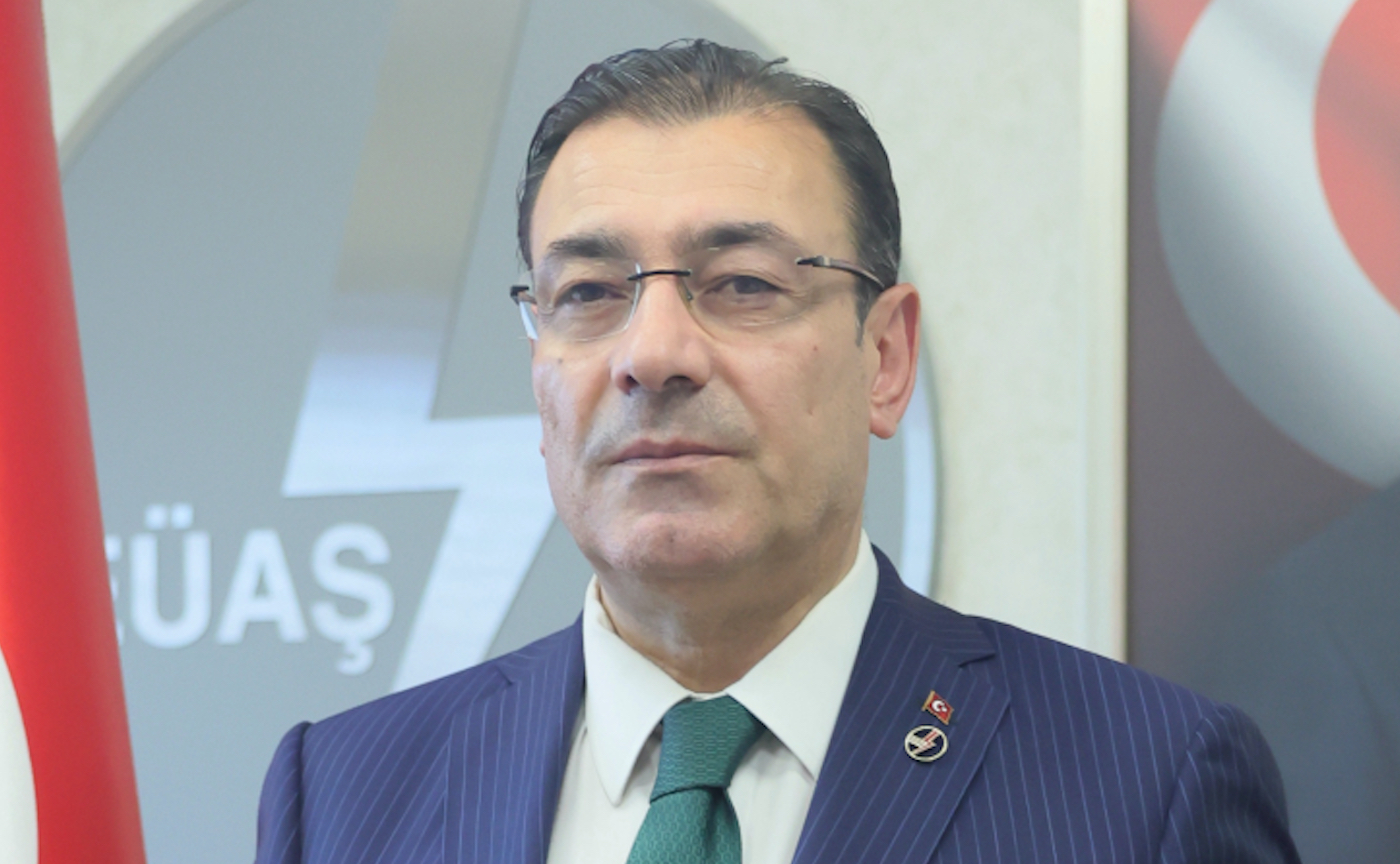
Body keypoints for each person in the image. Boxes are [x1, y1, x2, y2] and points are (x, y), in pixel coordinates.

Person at [254, 40, 1299, 864]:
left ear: (884, 358)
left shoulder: (1145, 784)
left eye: (743, 285)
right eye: (590, 294)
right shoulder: (342, 793)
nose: (652, 355)